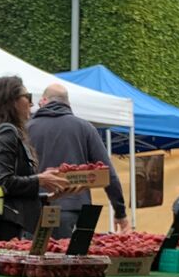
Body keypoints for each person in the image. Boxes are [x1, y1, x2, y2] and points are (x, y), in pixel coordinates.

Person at [0, 75, 70, 239]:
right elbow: (3, 182)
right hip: (10, 230)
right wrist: (40, 180)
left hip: (10, 226)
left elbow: (10, 193)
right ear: (11, 101)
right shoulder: (6, 132)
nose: (31, 103)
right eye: (27, 96)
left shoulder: (1, 131)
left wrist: (46, 196)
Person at [28, 83, 130, 238]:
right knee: (72, 260)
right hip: (75, 209)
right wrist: (120, 211)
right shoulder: (85, 128)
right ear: (68, 103)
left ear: (43, 101)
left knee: (33, 259)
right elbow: (108, 173)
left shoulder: (26, 128)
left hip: (35, 209)